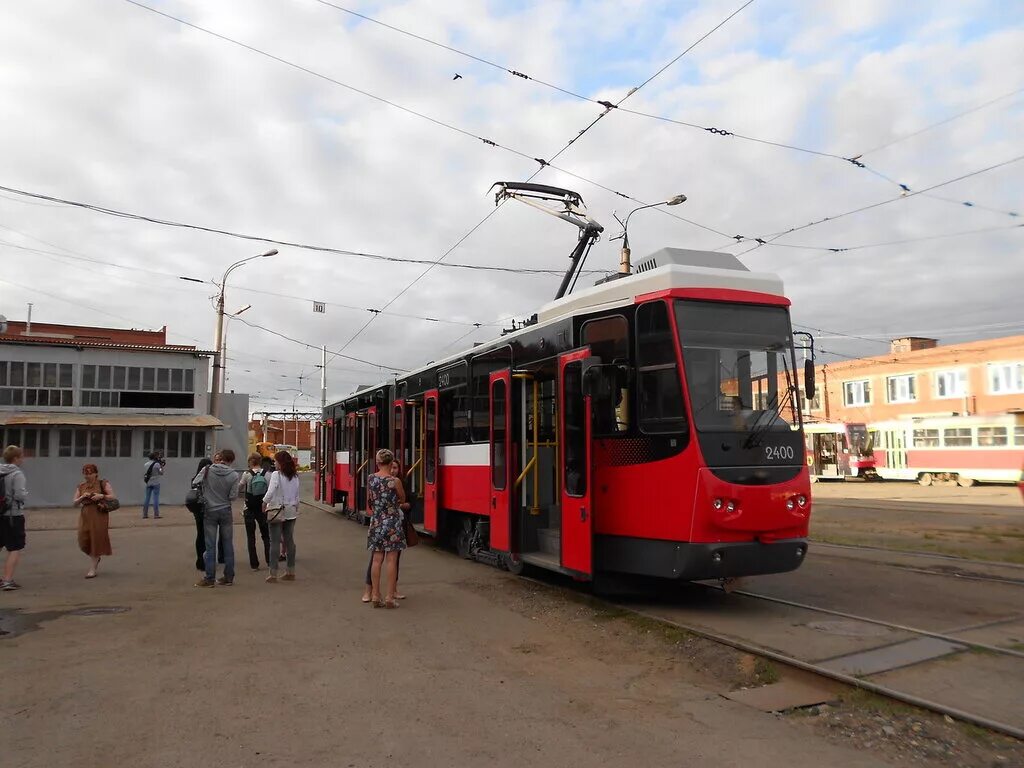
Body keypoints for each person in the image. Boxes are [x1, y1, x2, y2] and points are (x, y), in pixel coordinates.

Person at [362, 460, 409, 603]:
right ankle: (389, 596)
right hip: (393, 523)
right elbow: (402, 499)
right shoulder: (395, 481)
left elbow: (369, 501)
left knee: (376, 560)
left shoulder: (371, 478)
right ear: (389, 464)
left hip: (377, 522)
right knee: (392, 561)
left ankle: (375, 595)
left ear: (378, 463)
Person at [195, 449, 239, 588]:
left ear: (220, 458)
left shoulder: (207, 470)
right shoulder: (234, 475)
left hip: (209, 510)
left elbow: (195, 482)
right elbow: (233, 496)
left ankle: (209, 578)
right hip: (226, 510)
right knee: (227, 545)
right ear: (231, 460)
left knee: (210, 545)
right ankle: (228, 577)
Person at [264, 451, 300, 583]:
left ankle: (273, 573)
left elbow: (271, 490)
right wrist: (296, 506)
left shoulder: (276, 475)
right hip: (291, 511)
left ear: (280, 463)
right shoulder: (295, 476)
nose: (274, 463)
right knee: (289, 541)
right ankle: (290, 571)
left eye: (275, 461)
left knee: (274, 542)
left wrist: (264, 502)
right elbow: (297, 495)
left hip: (277, 510)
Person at [72, 464, 114, 579]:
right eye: (85, 473)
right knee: (83, 539)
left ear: (96, 473)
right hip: (85, 514)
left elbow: (112, 496)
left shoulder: (103, 483)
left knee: (95, 539)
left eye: (90, 473)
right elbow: (74, 503)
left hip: (99, 513)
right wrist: (82, 497)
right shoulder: (81, 486)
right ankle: (95, 557)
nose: (88, 475)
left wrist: (101, 496)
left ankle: (93, 568)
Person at [0, 445, 29, 591]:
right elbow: (19, 495)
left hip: (0, 513)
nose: (22, 459)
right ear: (16, 458)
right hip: (13, 514)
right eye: (21, 456)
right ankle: (7, 580)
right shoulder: (17, 474)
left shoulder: (1, 471)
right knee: (15, 547)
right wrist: (25, 494)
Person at [239, 453, 271, 570]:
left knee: (251, 537)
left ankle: (254, 564)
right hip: (263, 509)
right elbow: (270, 491)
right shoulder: (267, 474)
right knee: (266, 536)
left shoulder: (246, 474)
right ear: (260, 461)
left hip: (249, 508)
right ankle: (269, 561)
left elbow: (240, 488)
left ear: (250, 462)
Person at [142, 451, 165, 519]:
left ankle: (145, 514)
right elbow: (161, 473)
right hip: (156, 482)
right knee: (155, 498)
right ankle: (156, 514)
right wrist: (162, 466)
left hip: (148, 482)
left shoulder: (145, 464)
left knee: (147, 498)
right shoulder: (157, 464)